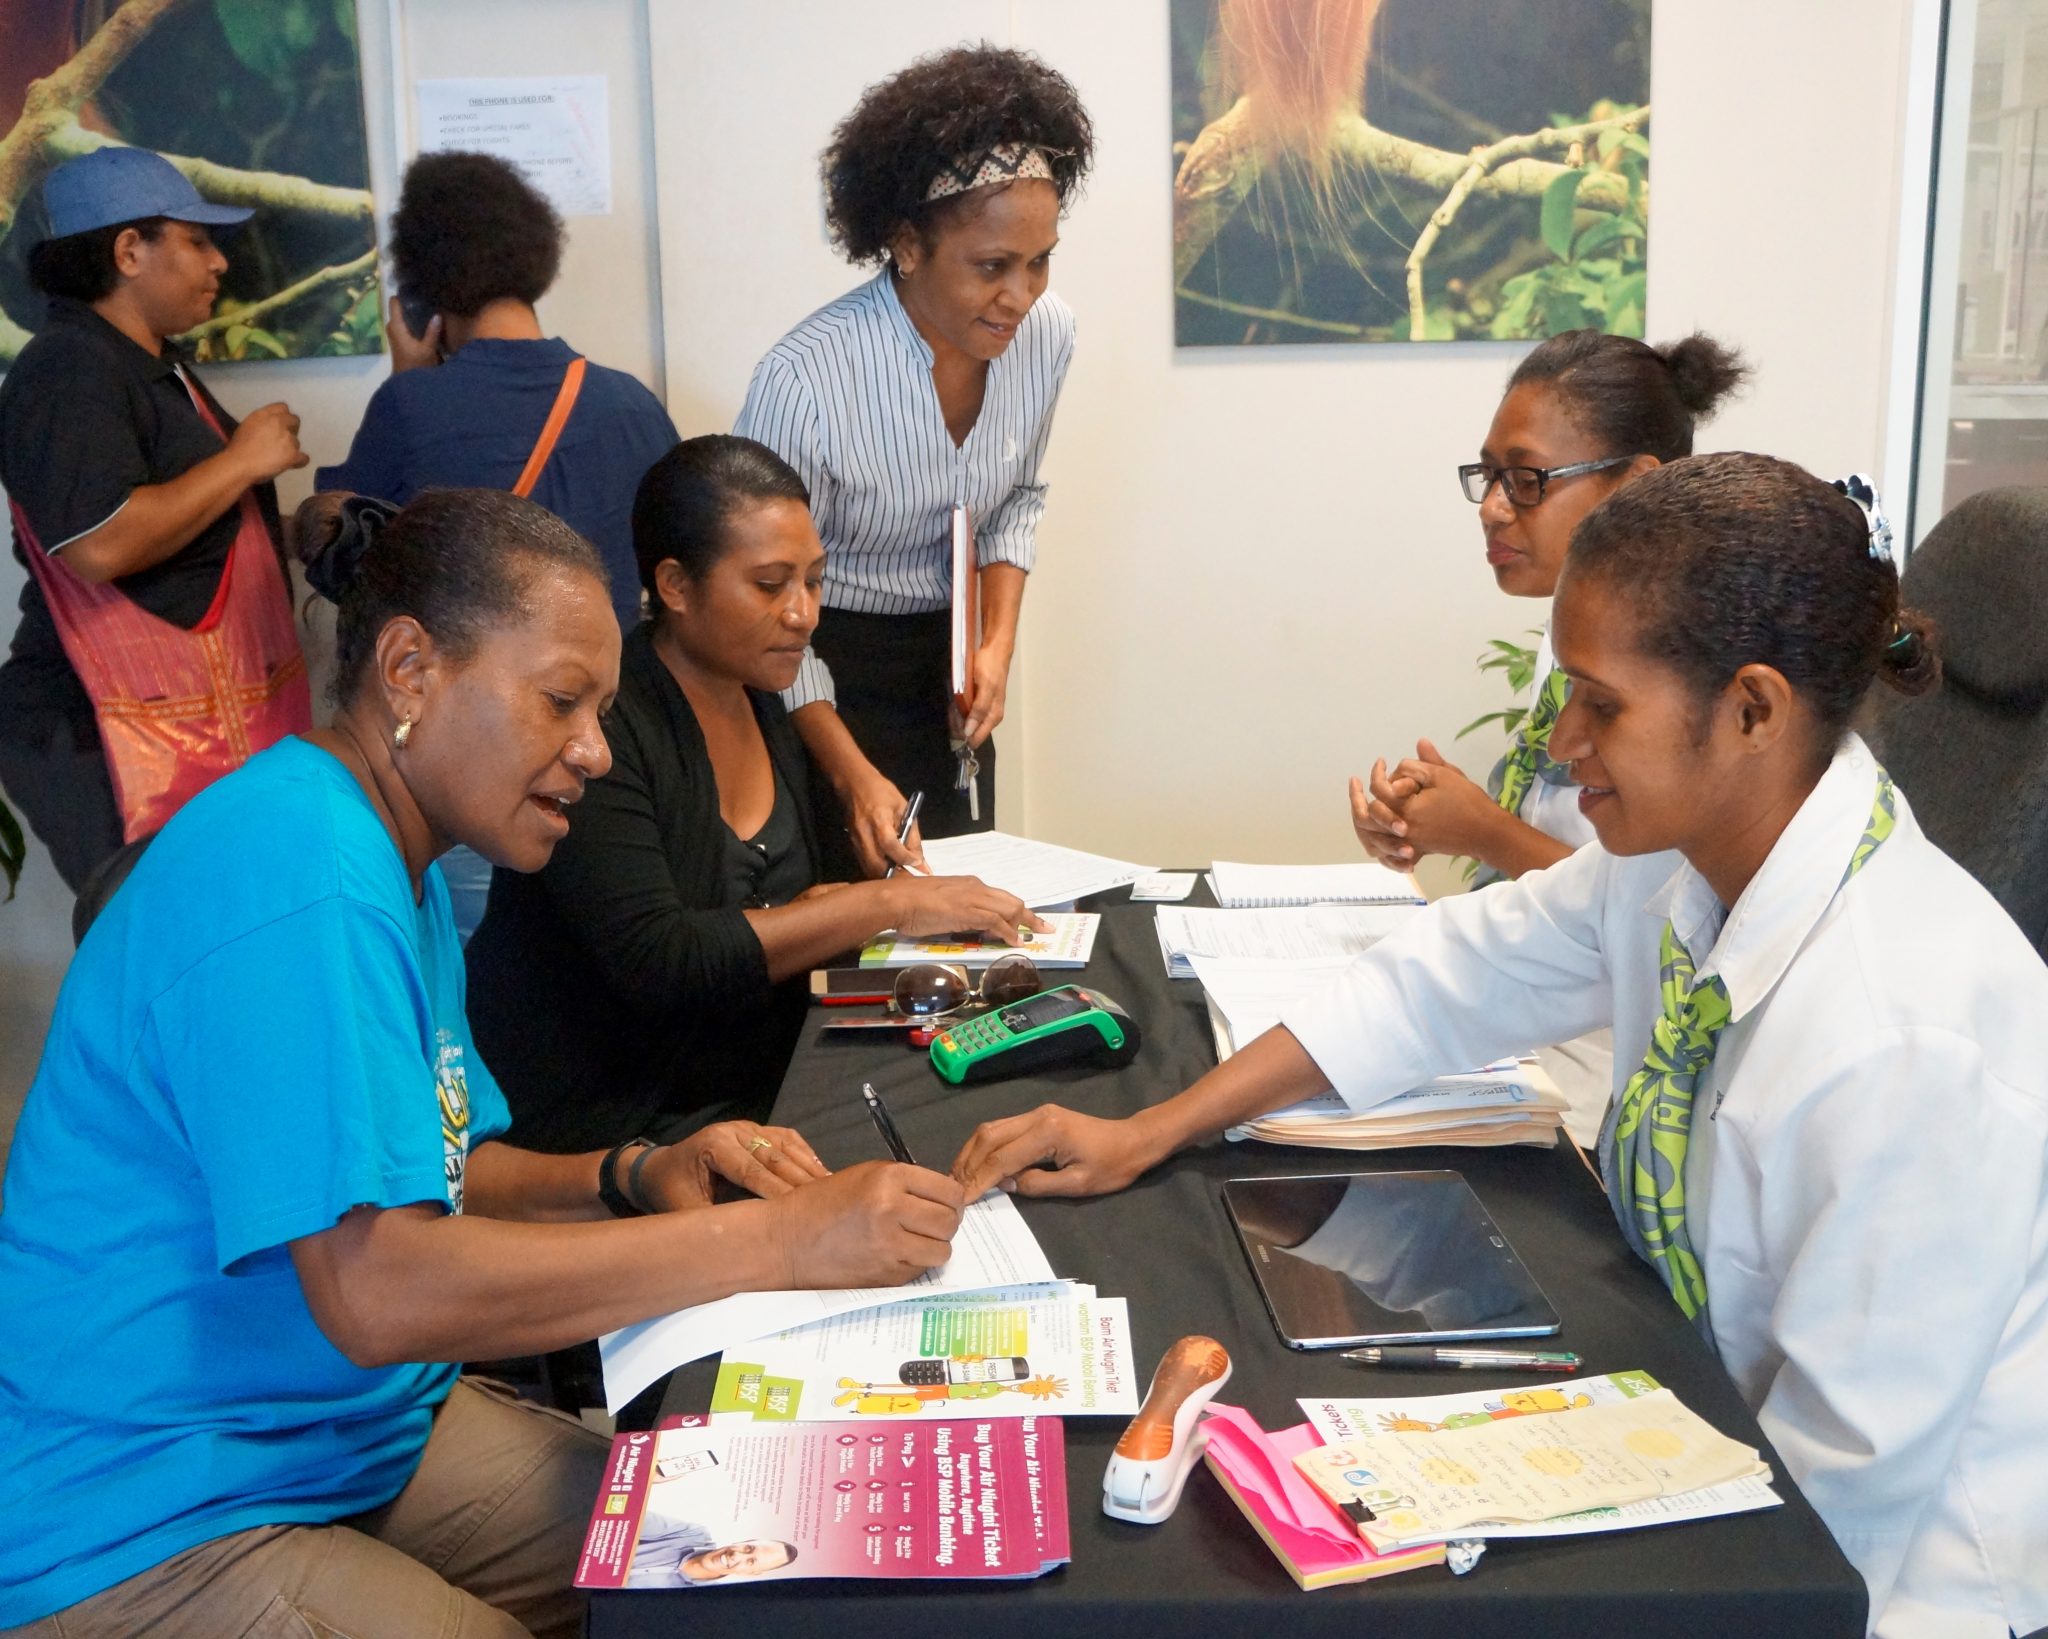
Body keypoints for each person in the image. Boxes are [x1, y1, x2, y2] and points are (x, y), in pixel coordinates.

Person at [953, 455, 2048, 1638]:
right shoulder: (1688, 858)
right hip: (1708, 1426)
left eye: (1600, 704)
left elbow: (1841, 1499)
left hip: (1892, 1577)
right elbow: (1443, 978)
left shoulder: (1904, 1037)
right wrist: (1151, 1127)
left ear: (1750, 709)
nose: (1564, 741)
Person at [0, 488, 967, 1639]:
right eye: (562, 700)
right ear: (409, 670)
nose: (596, 752)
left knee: (728, 1546)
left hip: (339, 1430)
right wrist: (775, 1243)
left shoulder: (392, 861)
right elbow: (376, 1285)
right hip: (147, 1504)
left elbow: (444, 1165)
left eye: (602, 710)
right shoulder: (300, 867)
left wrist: (630, 1173)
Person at [466, 436, 1047, 1154]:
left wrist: (825, 913)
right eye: (771, 585)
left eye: (814, 580)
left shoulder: (763, 696)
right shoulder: (607, 730)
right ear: (675, 586)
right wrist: (888, 902)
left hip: (759, 1084)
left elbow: (768, 918)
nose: (804, 613)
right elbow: (662, 959)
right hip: (622, 1126)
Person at [1349, 328, 1747, 1143]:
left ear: (1637, 486)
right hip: (1534, 1020)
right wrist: (1433, 816)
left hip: (1608, 1070)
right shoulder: (1571, 641)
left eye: (1526, 479)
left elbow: (1653, 919)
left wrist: (1484, 831)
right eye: (1490, 477)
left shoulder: (1689, 684)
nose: (1494, 506)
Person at [735, 44, 1094, 875]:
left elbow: (1016, 501)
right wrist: (853, 773)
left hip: (952, 670)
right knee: (850, 934)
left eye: (1040, 261)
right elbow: (761, 606)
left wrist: (996, 646)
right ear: (904, 244)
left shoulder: (1049, 335)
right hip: (814, 669)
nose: (1022, 296)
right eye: (992, 267)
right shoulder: (807, 380)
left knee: (962, 915)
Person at [318, 149, 680, 937]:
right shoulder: (633, 405)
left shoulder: (413, 406)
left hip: (482, 763)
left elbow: (346, 555)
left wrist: (406, 371)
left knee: (468, 990)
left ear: (425, 285)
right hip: (615, 760)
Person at [0, 146, 310, 896]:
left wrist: (298, 532)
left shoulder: (145, 363)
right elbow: (99, 542)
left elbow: (193, 537)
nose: (220, 263)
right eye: (196, 240)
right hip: (93, 736)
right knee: (169, 958)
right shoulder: (67, 368)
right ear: (129, 251)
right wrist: (242, 460)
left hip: (163, 732)